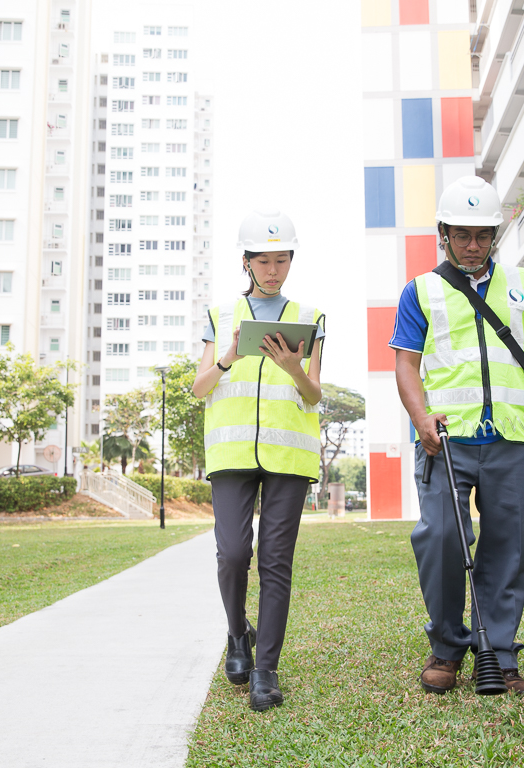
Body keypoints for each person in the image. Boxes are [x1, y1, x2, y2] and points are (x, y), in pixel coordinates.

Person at [391, 176, 524, 697]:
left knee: (507, 546)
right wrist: (421, 419)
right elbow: (406, 364)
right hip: (446, 439)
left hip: (510, 436)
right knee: (441, 538)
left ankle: (500, 655)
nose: (472, 244)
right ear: (444, 234)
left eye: (482, 235)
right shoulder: (420, 290)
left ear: (493, 237)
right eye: (461, 234)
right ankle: (447, 647)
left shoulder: (520, 284)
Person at [192, 208, 325, 712]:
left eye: (282, 260)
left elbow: (313, 396)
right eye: (264, 261)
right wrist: (227, 355)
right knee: (231, 554)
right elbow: (199, 387)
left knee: (275, 561)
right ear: (246, 262)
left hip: (288, 454)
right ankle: (237, 634)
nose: (274, 270)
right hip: (229, 453)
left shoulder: (310, 318)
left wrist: (294, 367)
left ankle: (265, 670)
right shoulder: (221, 314)